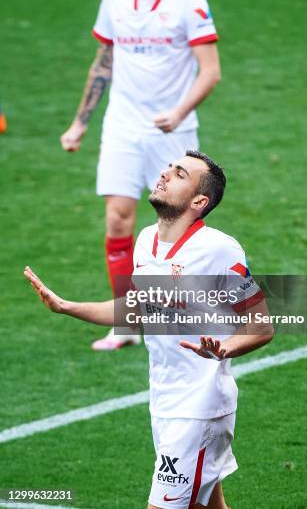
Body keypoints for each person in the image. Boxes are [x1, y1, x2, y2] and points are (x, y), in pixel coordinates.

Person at [25, 151, 274, 509]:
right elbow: (139, 310)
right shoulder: (145, 241)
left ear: (198, 201)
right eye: (169, 168)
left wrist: (225, 348)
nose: (165, 174)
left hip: (199, 407)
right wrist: (66, 307)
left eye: (179, 174)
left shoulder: (219, 250)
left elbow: (261, 326)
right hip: (164, 398)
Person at [59, 0, 221, 350]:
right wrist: (80, 123)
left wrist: (179, 111)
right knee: (117, 218)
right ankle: (127, 320)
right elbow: (103, 64)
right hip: (122, 128)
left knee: (179, 224)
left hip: (173, 132)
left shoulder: (189, 2)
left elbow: (211, 72)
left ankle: (188, 309)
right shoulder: (114, 0)